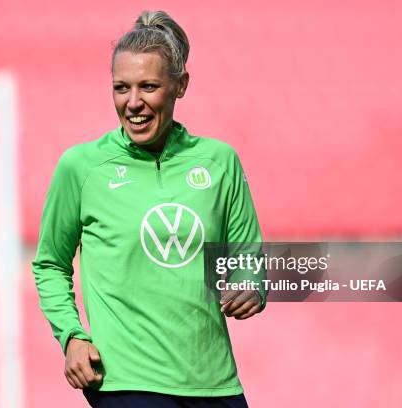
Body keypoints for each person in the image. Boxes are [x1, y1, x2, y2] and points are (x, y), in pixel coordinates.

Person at [32, 10, 267, 408]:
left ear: (181, 85)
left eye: (149, 86)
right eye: (121, 88)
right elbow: (50, 264)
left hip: (215, 383)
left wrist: (253, 287)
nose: (134, 102)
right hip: (126, 382)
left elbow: (247, 259)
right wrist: (71, 335)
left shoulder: (218, 161)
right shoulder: (82, 167)